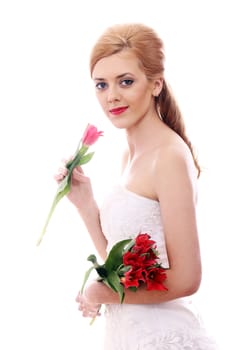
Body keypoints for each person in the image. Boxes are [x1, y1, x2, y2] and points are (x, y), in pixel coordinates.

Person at [55, 23, 219, 349]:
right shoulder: (130, 154)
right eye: (101, 85)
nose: (111, 96)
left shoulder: (168, 157)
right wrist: (86, 205)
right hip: (128, 335)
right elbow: (125, 268)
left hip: (163, 337)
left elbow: (187, 279)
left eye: (125, 82)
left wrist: (101, 292)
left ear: (155, 84)